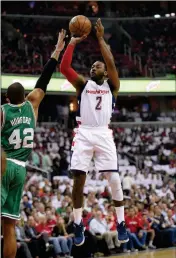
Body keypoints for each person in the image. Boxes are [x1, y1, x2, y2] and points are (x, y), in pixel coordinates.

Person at [60, 18, 128, 246]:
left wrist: (100, 39)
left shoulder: (113, 86)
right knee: (78, 179)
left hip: (103, 134)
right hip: (84, 133)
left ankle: (121, 223)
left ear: (105, 73)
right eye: (92, 66)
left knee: (115, 180)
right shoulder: (83, 85)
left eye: (97, 66)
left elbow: (111, 63)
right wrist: (72, 43)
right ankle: (78, 223)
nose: (93, 67)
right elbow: (64, 68)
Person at [1, 29, 66, 258]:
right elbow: (44, 79)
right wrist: (58, 49)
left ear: (7, 99)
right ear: (25, 96)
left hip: (3, 164)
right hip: (20, 169)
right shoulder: (33, 105)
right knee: (8, 226)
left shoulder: (3, 111)